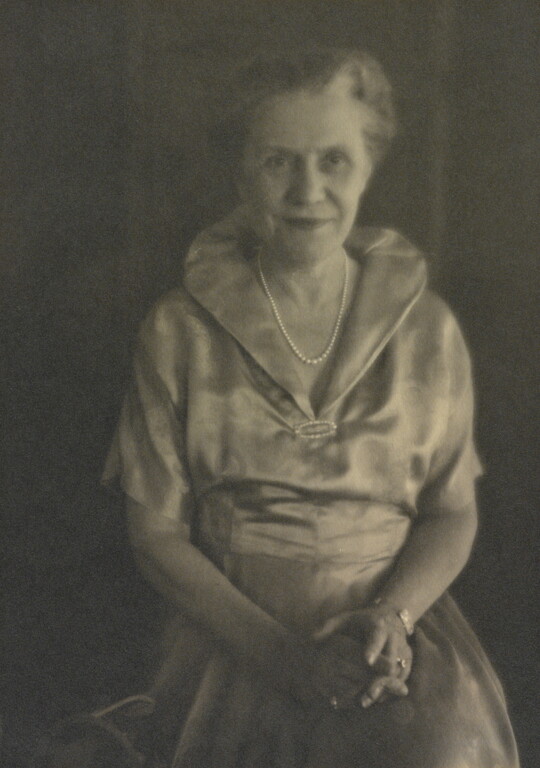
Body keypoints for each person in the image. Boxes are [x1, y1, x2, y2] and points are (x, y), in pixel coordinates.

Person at [103, 46, 520, 767]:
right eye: (278, 162)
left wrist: (393, 618)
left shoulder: (427, 329)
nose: (308, 191)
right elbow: (155, 536)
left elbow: (452, 512)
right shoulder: (178, 329)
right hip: (233, 635)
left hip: (393, 634)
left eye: (333, 161)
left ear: (368, 166)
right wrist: (284, 657)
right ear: (241, 172)